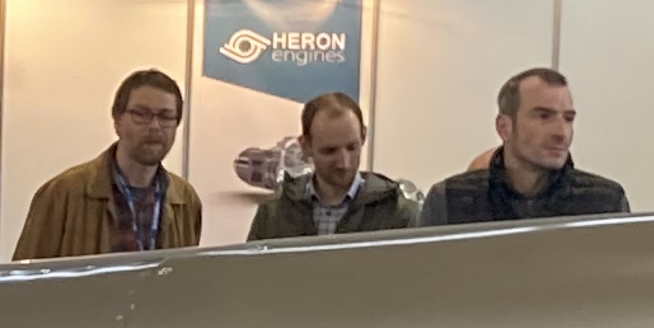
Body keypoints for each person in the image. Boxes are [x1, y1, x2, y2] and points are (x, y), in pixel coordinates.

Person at [14, 71, 200, 259]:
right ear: (117, 120)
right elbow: (25, 275)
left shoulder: (186, 200)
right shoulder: (62, 195)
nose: (155, 126)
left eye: (166, 116)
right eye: (141, 114)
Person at [422, 68, 630, 227]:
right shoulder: (450, 200)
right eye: (543, 117)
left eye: (568, 119)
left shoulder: (605, 203)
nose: (562, 133)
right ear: (504, 128)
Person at [246, 93, 413, 240]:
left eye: (352, 147)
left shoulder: (398, 213)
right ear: (306, 146)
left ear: (363, 136)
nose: (344, 163)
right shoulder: (273, 213)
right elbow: (252, 267)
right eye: (329, 151)